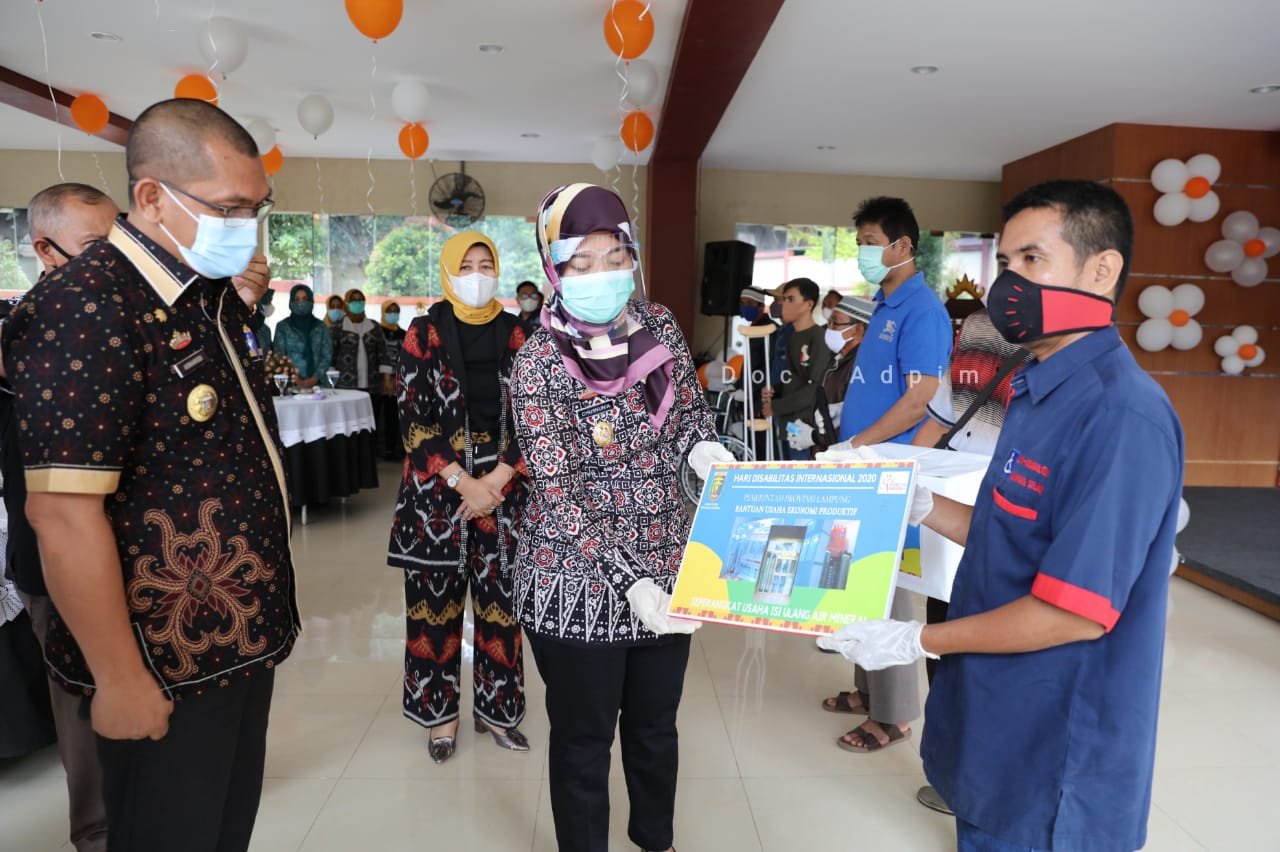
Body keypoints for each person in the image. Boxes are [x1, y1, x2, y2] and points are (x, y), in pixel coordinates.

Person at [820, 180, 1182, 852]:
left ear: (1101, 270)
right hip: (994, 718)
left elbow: (1074, 612)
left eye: (1033, 260)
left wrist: (916, 640)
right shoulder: (1037, 390)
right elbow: (1001, 532)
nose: (1009, 284)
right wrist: (915, 501)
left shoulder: (1120, 416)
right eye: (1006, 263)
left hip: (1053, 751)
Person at [4, 98, 298, 852]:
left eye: (257, 208)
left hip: (235, 638)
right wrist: (120, 679)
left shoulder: (201, 295)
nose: (246, 227)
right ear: (151, 197)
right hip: (160, 659)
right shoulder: (86, 306)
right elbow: (61, 515)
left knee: (223, 830)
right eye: (229, 209)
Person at [511, 183, 728, 852]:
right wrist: (628, 580)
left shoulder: (657, 324)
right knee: (584, 741)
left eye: (615, 257)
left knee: (656, 729)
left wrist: (706, 450)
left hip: (669, 566)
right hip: (575, 579)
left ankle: (655, 841)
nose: (601, 275)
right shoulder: (537, 361)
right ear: (553, 266)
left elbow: (688, 415)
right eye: (581, 263)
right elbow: (558, 489)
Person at [0, 182, 119, 851]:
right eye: (97, 248)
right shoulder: (22, 336)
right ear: (46, 252)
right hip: (58, 557)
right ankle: (96, 832)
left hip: (132, 549)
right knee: (81, 697)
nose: (114, 262)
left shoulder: (123, 322)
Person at [387, 233, 531, 764]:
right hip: (436, 498)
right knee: (434, 613)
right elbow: (413, 418)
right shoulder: (423, 333)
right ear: (448, 273)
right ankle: (439, 716)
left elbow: (538, 416)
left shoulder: (522, 334)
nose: (476, 275)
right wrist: (464, 483)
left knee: (502, 612)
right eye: (465, 265)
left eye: (485, 264)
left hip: (505, 493)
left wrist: (497, 480)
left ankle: (498, 712)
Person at [821, 196, 952, 755]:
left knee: (888, 589)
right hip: (863, 465)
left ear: (903, 245)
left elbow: (922, 399)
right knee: (859, 583)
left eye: (871, 242)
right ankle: (867, 688)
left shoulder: (923, 311)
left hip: (890, 469)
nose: (863, 253)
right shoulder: (882, 304)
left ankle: (894, 714)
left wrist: (858, 445)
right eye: (860, 243)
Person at [908, 306, 1032, 816]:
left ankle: (983, 778)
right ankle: (955, 770)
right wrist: (905, 476)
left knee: (988, 636)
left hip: (1011, 500)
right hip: (952, 494)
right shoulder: (978, 327)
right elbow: (943, 417)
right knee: (945, 622)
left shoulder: (1061, 340)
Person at [792, 295, 873, 453]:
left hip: (843, 458)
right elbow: (821, 404)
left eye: (835, 323)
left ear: (859, 329)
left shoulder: (862, 366)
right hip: (822, 455)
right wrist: (798, 426)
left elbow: (857, 421)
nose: (829, 329)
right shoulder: (836, 360)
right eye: (829, 323)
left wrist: (814, 437)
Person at [762, 277, 831, 460]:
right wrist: (774, 390)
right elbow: (793, 379)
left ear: (808, 304)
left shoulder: (819, 338)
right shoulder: (791, 337)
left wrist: (776, 406)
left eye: (790, 299)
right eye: (783, 299)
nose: (783, 304)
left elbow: (815, 388)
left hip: (806, 428)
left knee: (801, 475)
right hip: (786, 424)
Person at [329, 287, 393, 395]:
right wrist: (331, 381)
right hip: (345, 386)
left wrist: (387, 379)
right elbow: (331, 356)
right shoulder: (337, 328)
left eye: (360, 300)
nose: (357, 303)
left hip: (373, 384)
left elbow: (383, 354)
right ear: (347, 303)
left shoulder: (374, 327)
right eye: (353, 300)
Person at [273, 284, 333, 388]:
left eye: (305, 299)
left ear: (311, 302)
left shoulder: (321, 327)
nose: (301, 303)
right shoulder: (283, 327)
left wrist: (313, 379)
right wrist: (296, 379)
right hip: (291, 385)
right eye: (297, 299)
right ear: (291, 302)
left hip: (319, 385)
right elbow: (279, 356)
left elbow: (326, 356)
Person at [377, 300, 407, 459]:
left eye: (396, 311)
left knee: (394, 416)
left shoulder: (403, 333)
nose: (393, 314)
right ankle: (381, 449)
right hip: (378, 381)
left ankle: (395, 448)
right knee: (379, 416)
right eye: (390, 311)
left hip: (398, 382)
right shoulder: (377, 331)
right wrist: (385, 378)